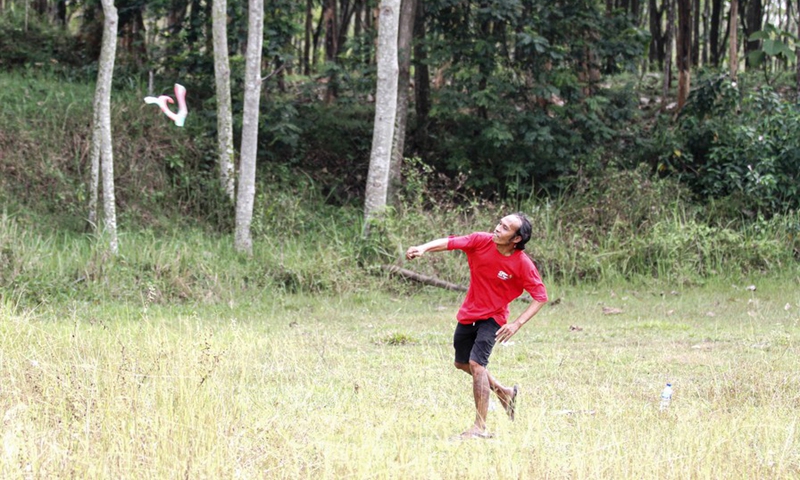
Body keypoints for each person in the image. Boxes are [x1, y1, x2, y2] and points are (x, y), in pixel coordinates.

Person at [405, 213, 548, 439]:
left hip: (494, 318)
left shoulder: (522, 264)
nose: (498, 228)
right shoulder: (481, 240)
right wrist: (423, 248)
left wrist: (517, 324)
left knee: (477, 365)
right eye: (499, 223)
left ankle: (479, 427)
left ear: (516, 238)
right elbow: (450, 242)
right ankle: (505, 392)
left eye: (505, 227)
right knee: (462, 364)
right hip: (470, 312)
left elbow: (540, 296)